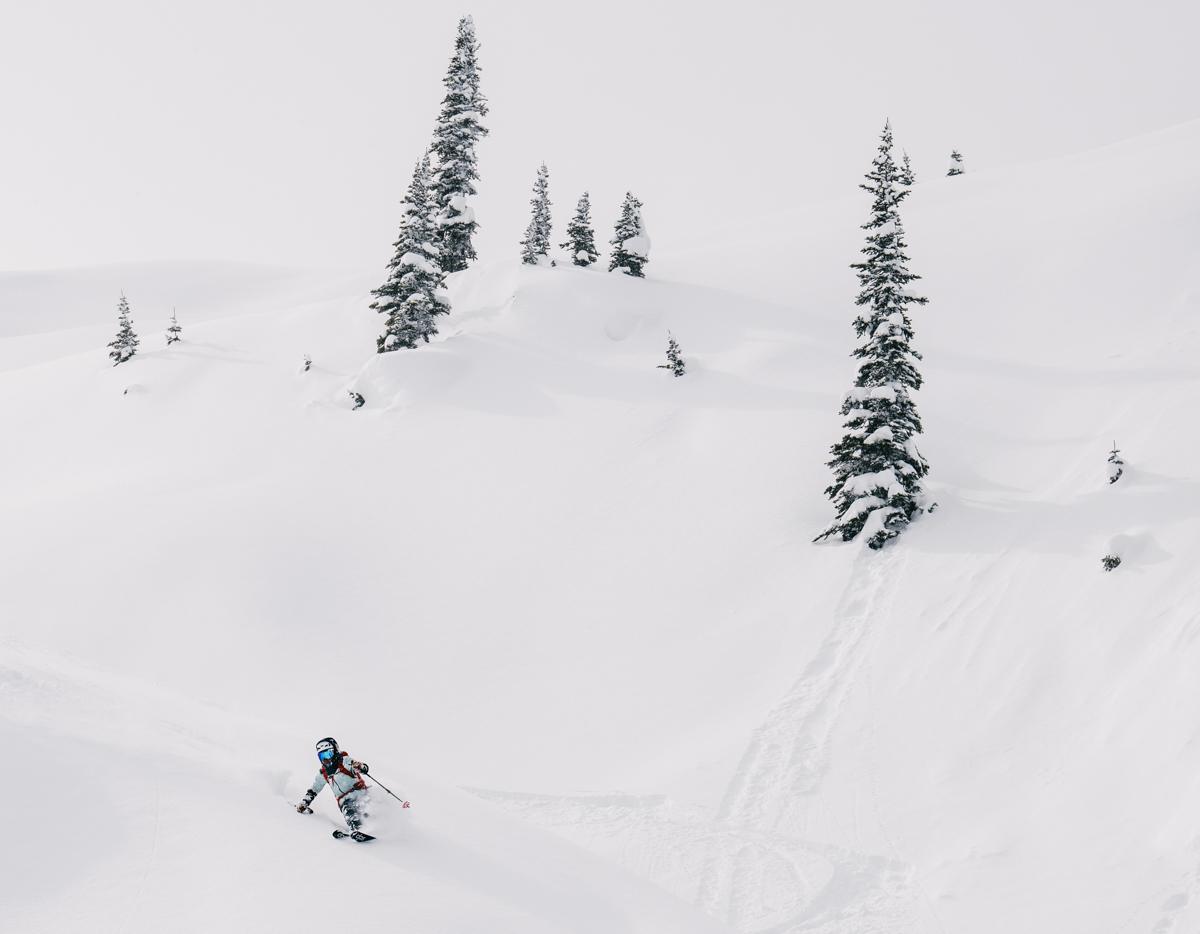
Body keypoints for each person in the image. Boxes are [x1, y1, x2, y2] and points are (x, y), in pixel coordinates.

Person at [296, 737, 371, 837]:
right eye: (322, 756)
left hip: (359, 793)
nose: (326, 759)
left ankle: (374, 827)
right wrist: (305, 802)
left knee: (368, 810)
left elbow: (363, 768)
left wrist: (360, 767)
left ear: (335, 751)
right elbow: (314, 789)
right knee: (349, 811)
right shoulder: (324, 773)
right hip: (344, 800)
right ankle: (357, 830)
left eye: (328, 754)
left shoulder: (345, 761)